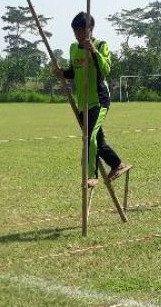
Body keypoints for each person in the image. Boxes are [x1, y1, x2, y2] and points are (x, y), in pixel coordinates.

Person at [55, 12, 131, 188]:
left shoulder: (101, 45)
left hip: (99, 100)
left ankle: (92, 176)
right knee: (97, 140)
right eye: (75, 32)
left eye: (80, 31)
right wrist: (62, 74)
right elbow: (73, 72)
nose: (77, 36)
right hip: (82, 103)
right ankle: (117, 164)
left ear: (89, 29)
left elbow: (105, 70)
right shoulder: (73, 48)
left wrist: (93, 51)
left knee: (90, 138)